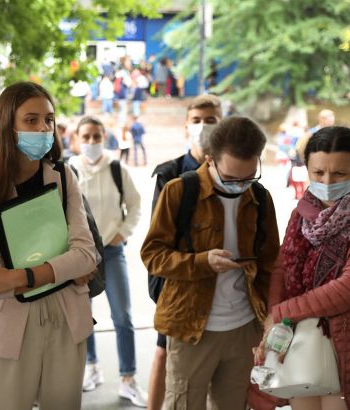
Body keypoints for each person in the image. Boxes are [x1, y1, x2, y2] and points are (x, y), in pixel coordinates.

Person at [0, 81, 97, 410]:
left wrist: (21, 277)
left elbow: (85, 255)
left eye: (49, 119)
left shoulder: (64, 177)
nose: (43, 128)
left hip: (67, 319)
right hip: (9, 323)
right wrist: (63, 269)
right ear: (7, 126)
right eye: (31, 120)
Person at [141, 116, 281, 409]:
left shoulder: (260, 197)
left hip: (245, 328)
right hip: (191, 328)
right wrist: (201, 262)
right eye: (230, 178)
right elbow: (152, 255)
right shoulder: (179, 191)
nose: (240, 185)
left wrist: (272, 317)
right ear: (209, 159)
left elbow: (271, 264)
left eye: (249, 177)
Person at [255, 126, 350, 410]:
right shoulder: (302, 213)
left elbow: (345, 289)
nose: (327, 182)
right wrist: (274, 321)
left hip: (343, 340)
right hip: (301, 340)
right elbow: (282, 269)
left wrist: (283, 313)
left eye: (340, 174)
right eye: (318, 173)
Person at [146, 94, 223, 410]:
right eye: (197, 120)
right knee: (165, 352)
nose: (203, 127)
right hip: (179, 280)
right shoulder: (170, 173)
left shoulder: (232, 171)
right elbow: (157, 239)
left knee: (219, 362)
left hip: (221, 282)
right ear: (186, 126)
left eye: (210, 120)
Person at [68, 116, 147, 406]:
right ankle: (91, 366)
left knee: (122, 316)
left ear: (104, 138)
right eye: (86, 137)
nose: (91, 142)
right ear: (77, 139)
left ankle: (128, 378)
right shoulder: (68, 170)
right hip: (81, 255)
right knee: (83, 315)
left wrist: (122, 233)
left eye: (96, 136)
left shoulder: (117, 168)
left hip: (112, 253)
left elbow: (135, 204)